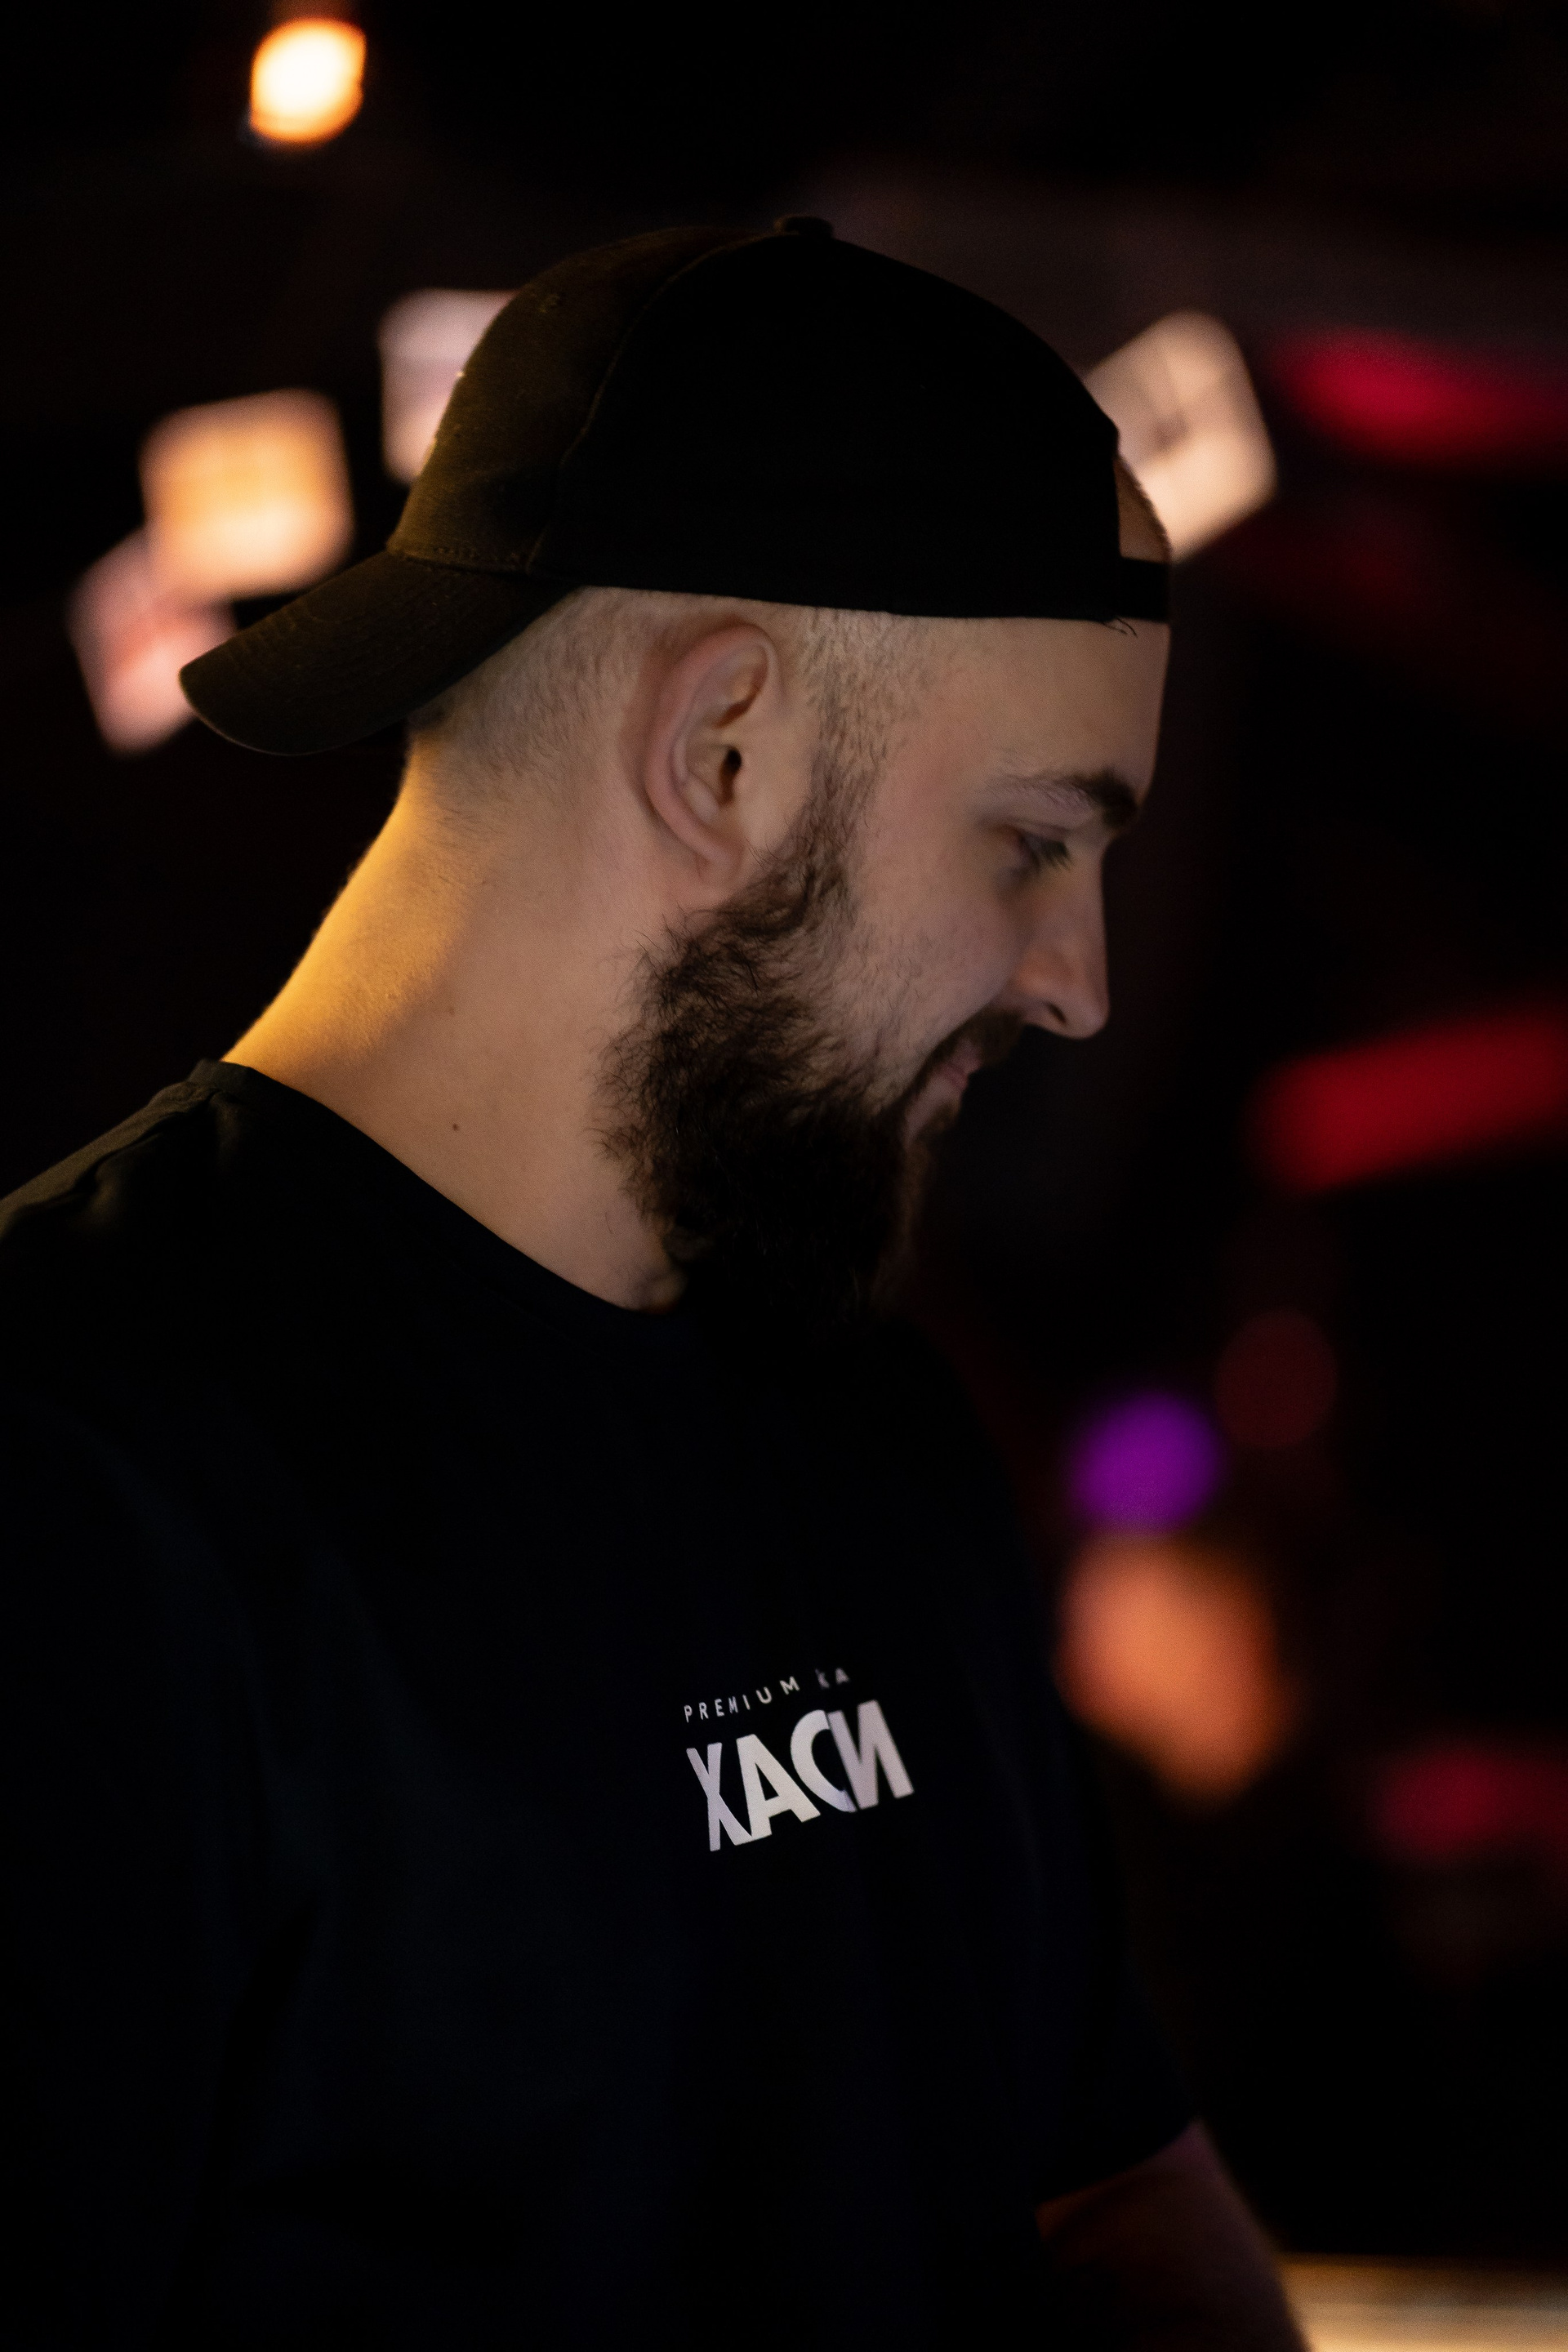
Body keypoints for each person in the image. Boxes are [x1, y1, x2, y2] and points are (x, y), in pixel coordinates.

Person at [0, 220, 1304, 2350]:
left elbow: (1120, 2189)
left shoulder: (875, 1426)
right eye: (1033, 841)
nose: (1076, 985)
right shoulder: (71, 1471)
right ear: (722, 751)